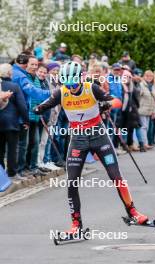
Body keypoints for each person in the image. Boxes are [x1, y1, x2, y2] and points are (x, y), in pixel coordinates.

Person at [33, 61, 148, 234]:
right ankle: (76, 224)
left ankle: (132, 212)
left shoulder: (91, 88)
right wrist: (38, 109)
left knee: (116, 176)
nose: (71, 88)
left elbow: (116, 100)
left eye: (73, 83)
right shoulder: (61, 92)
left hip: (99, 137)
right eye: (67, 84)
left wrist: (107, 104)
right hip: (78, 140)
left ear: (80, 79)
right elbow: (46, 104)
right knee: (71, 183)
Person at [0, 64, 29, 179]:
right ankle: (12, 173)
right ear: (9, 73)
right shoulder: (14, 86)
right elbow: (22, 106)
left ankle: (1, 174)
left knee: (0, 150)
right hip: (11, 123)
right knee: (12, 149)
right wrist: (26, 121)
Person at [138, 70, 155, 150]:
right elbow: (138, 97)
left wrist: (154, 111)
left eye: (151, 76)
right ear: (144, 76)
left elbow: (154, 99)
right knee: (144, 127)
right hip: (141, 109)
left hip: (149, 110)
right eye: (147, 76)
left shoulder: (152, 86)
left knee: (147, 127)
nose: (149, 78)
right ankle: (144, 143)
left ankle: (144, 143)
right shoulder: (141, 85)